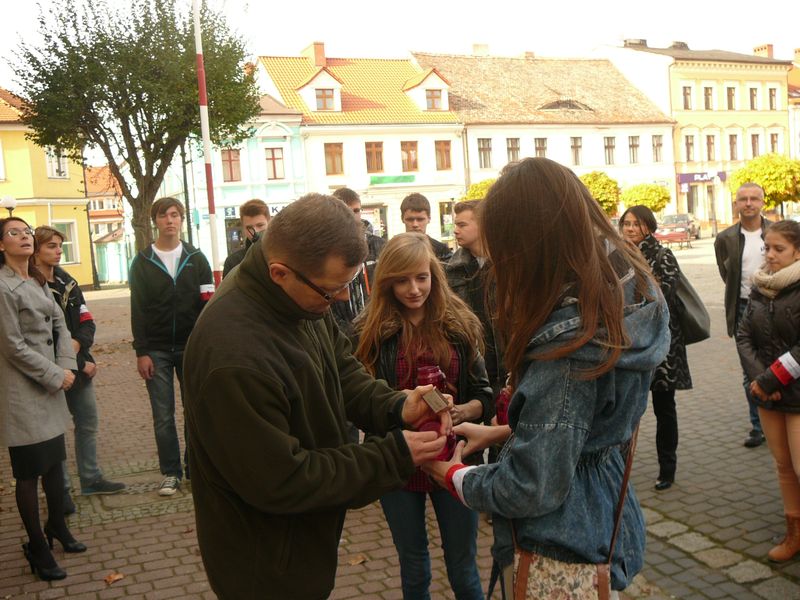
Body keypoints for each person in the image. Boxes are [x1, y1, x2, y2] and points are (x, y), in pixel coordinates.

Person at [182, 193, 453, 600]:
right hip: (265, 567)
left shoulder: (297, 301)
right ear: (279, 273)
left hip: (301, 543)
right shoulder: (233, 357)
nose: (341, 299)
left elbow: (341, 369)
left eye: (347, 284)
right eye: (332, 290)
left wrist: (397, 405)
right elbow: (285, 480)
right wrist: (393, 455)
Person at [425, 158, 670, 598]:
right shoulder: (623, 301)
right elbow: (588, 428)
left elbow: (531, 487)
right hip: (604, 522)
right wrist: (503, 431)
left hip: (560, 550)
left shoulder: (570, 349)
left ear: (527, 245)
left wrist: (454, 475)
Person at [353, 232, 492, 600]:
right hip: (398, 461)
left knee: (464, 569)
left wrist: (461, 411)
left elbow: (484, 395)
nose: (414, 289)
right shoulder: (370, 332)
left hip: (454, 457)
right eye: (402, 280)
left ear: (434, 274)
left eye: (421, 277)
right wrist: (401, 409)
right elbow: (361, 406)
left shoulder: (459, 324)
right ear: (387, 282)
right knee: (414, 568)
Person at [0, 217, 86, 582]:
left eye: (27, 232)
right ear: (1, 245)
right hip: (22, 391)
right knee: (29, 472)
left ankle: (57, 527)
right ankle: (37, 545)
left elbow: (60, 325)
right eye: (14, 233)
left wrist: (66, 366)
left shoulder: (37, 279)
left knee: (53, 463)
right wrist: (55, 374)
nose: (24, 236)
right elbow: (11, 346)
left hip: (50, 385)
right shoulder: (3, 286)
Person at [34, 226, 126, 512]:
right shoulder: (32, 285)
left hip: (79, 366)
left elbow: (87, 322)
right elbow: (41, 337)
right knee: (56, 431)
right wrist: (76, 359)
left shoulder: (68, 282)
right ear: (36, 250)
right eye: (51, 246)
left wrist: (80, 349)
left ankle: (91, 477)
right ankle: (61, 491)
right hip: (53, 372)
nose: (58, 251)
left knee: (87, 423)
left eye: (60, 246)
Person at [129, 197, 214, 496]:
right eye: (164, 215)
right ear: (155, 221)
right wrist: (142, 352)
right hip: (157, 350)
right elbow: (138, 310)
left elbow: (208, 305)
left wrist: (206, 345)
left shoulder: (197, 258)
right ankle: (171, 473)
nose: (170, 220)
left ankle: (195, 468)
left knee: (196, 411)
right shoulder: (142, 262)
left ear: (181, 219)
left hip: (192, 348)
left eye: (175, 215)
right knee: (163, 415)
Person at [736, 220, 800, 562]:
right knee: (783, 466)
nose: (770, 255)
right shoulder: (760, 286)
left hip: (796, 395)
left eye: (779, 249)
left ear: (797, 252)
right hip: (768, 395)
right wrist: (759, 380)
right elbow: (744, 334)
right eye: (767, 248)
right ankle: (794, 534)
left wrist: (769, 380)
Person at [619, 206, 693, 491]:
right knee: (626, 410)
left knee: (664, 409)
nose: (630, 229)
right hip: (629, 343)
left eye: (636, 224)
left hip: (662, 346)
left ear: (649, 227)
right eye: (626, 223)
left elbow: (665, 296)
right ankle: (619, 467)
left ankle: (667, 470)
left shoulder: (663, 255)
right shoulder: (617, 256)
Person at [715, 183, 774, 448]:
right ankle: (758, 426)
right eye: (743, 199)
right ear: (736, 203)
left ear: (762, 202)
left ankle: (780, 418)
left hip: (775, 305)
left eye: (754, 198)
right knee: (750, 370)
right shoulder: (725, 238)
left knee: (778, 365)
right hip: (743, 308)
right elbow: (726, 274)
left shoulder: (777, 232)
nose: (748, 203)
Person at [446, 199, 505, 395]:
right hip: (474, 368)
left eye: (462, 225)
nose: (455, 231)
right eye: (455, 225)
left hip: (508, 366)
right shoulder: (452, 269)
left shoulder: (509, 265)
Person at [330, 187, 385, 338]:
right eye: (347, 211)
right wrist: (348, 335)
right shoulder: (328, 250)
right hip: (344, 336)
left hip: (380, 330)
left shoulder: (380, 246)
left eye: (356, 210)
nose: (353, 217)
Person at [222, 198, 270, 278]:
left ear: (269, 223)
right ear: (243, 229)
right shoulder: (233, 262)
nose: (255, 231)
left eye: (260, 225)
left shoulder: (285, 255)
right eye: (249, 227)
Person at [400, 192, 453, 263]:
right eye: (410, 219)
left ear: (429, 219)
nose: (415, 224)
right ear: (402, 219)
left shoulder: (442, 251)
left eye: (420, 219)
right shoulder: (394, 249)